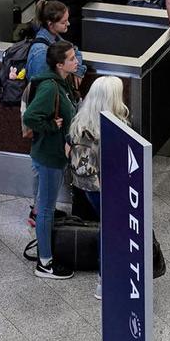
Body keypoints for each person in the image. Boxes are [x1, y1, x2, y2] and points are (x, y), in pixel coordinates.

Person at [66, 76, 130, 297]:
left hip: (84, 184)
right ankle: (106, 280)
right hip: (106, 187)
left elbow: (70, 149)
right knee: (111, 230)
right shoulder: (112, 129)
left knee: (107, 227)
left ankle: (106, 279)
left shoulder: (81, 122)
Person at [21, 41, 80, 280]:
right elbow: (32, 116)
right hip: (49, 156)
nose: (76, 61)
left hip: (54, 154)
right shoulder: (50, 88)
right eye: (72, 59)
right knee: (45, 209)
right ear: (59, 64)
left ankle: (46, 253)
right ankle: (44, 263)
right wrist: (49, 126)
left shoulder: (63, 82)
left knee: (46, 207)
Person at [25, 0, 87, 85]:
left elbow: (75, 51)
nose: (68, 24)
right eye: (63, 22)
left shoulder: (55, 37)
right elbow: (40, 87)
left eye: (67, 19)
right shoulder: (41, 53)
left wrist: (78, 69)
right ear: (50, 24)